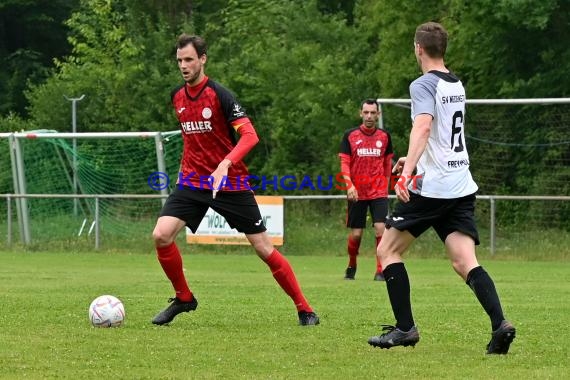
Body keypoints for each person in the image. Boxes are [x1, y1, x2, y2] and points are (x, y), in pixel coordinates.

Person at [151, 34, 319, 326]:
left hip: (230, 184)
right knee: (161, 235)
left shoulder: (219, 95)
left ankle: (305, 309)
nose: (184, 65)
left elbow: (250, 135)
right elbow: (193, 140)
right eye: (179, 60)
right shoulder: (176, 97)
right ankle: (184, 298)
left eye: (189, 59)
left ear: (202, 59)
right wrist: (185, 169)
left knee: (264, 248)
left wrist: (225, 163)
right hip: (192, 182)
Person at [367, 22, 515, 354]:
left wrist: (406, 175)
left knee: (387, 251)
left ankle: (405, 329)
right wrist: (413, 159)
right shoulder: (455, 83)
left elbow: (423, 126)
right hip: (460, 183)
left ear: (418, 48)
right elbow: (442, 136)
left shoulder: (422, 84)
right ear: (442, 49)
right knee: (465, 261)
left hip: (433, 188)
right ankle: (500, 324)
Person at [338, 99, 394, 281]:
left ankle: (380, 270)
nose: (369, 116)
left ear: (378, 114)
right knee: (356, 234)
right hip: (357, 192)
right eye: (366, 112)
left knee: (380, 229)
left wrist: (385, 186)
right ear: (360, 113)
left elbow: (387, 164)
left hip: (378, 192)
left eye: (373, 112)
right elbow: (344, 163)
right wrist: (349, 185)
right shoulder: (350, 135)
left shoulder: (385, 137)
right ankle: (352, 263)